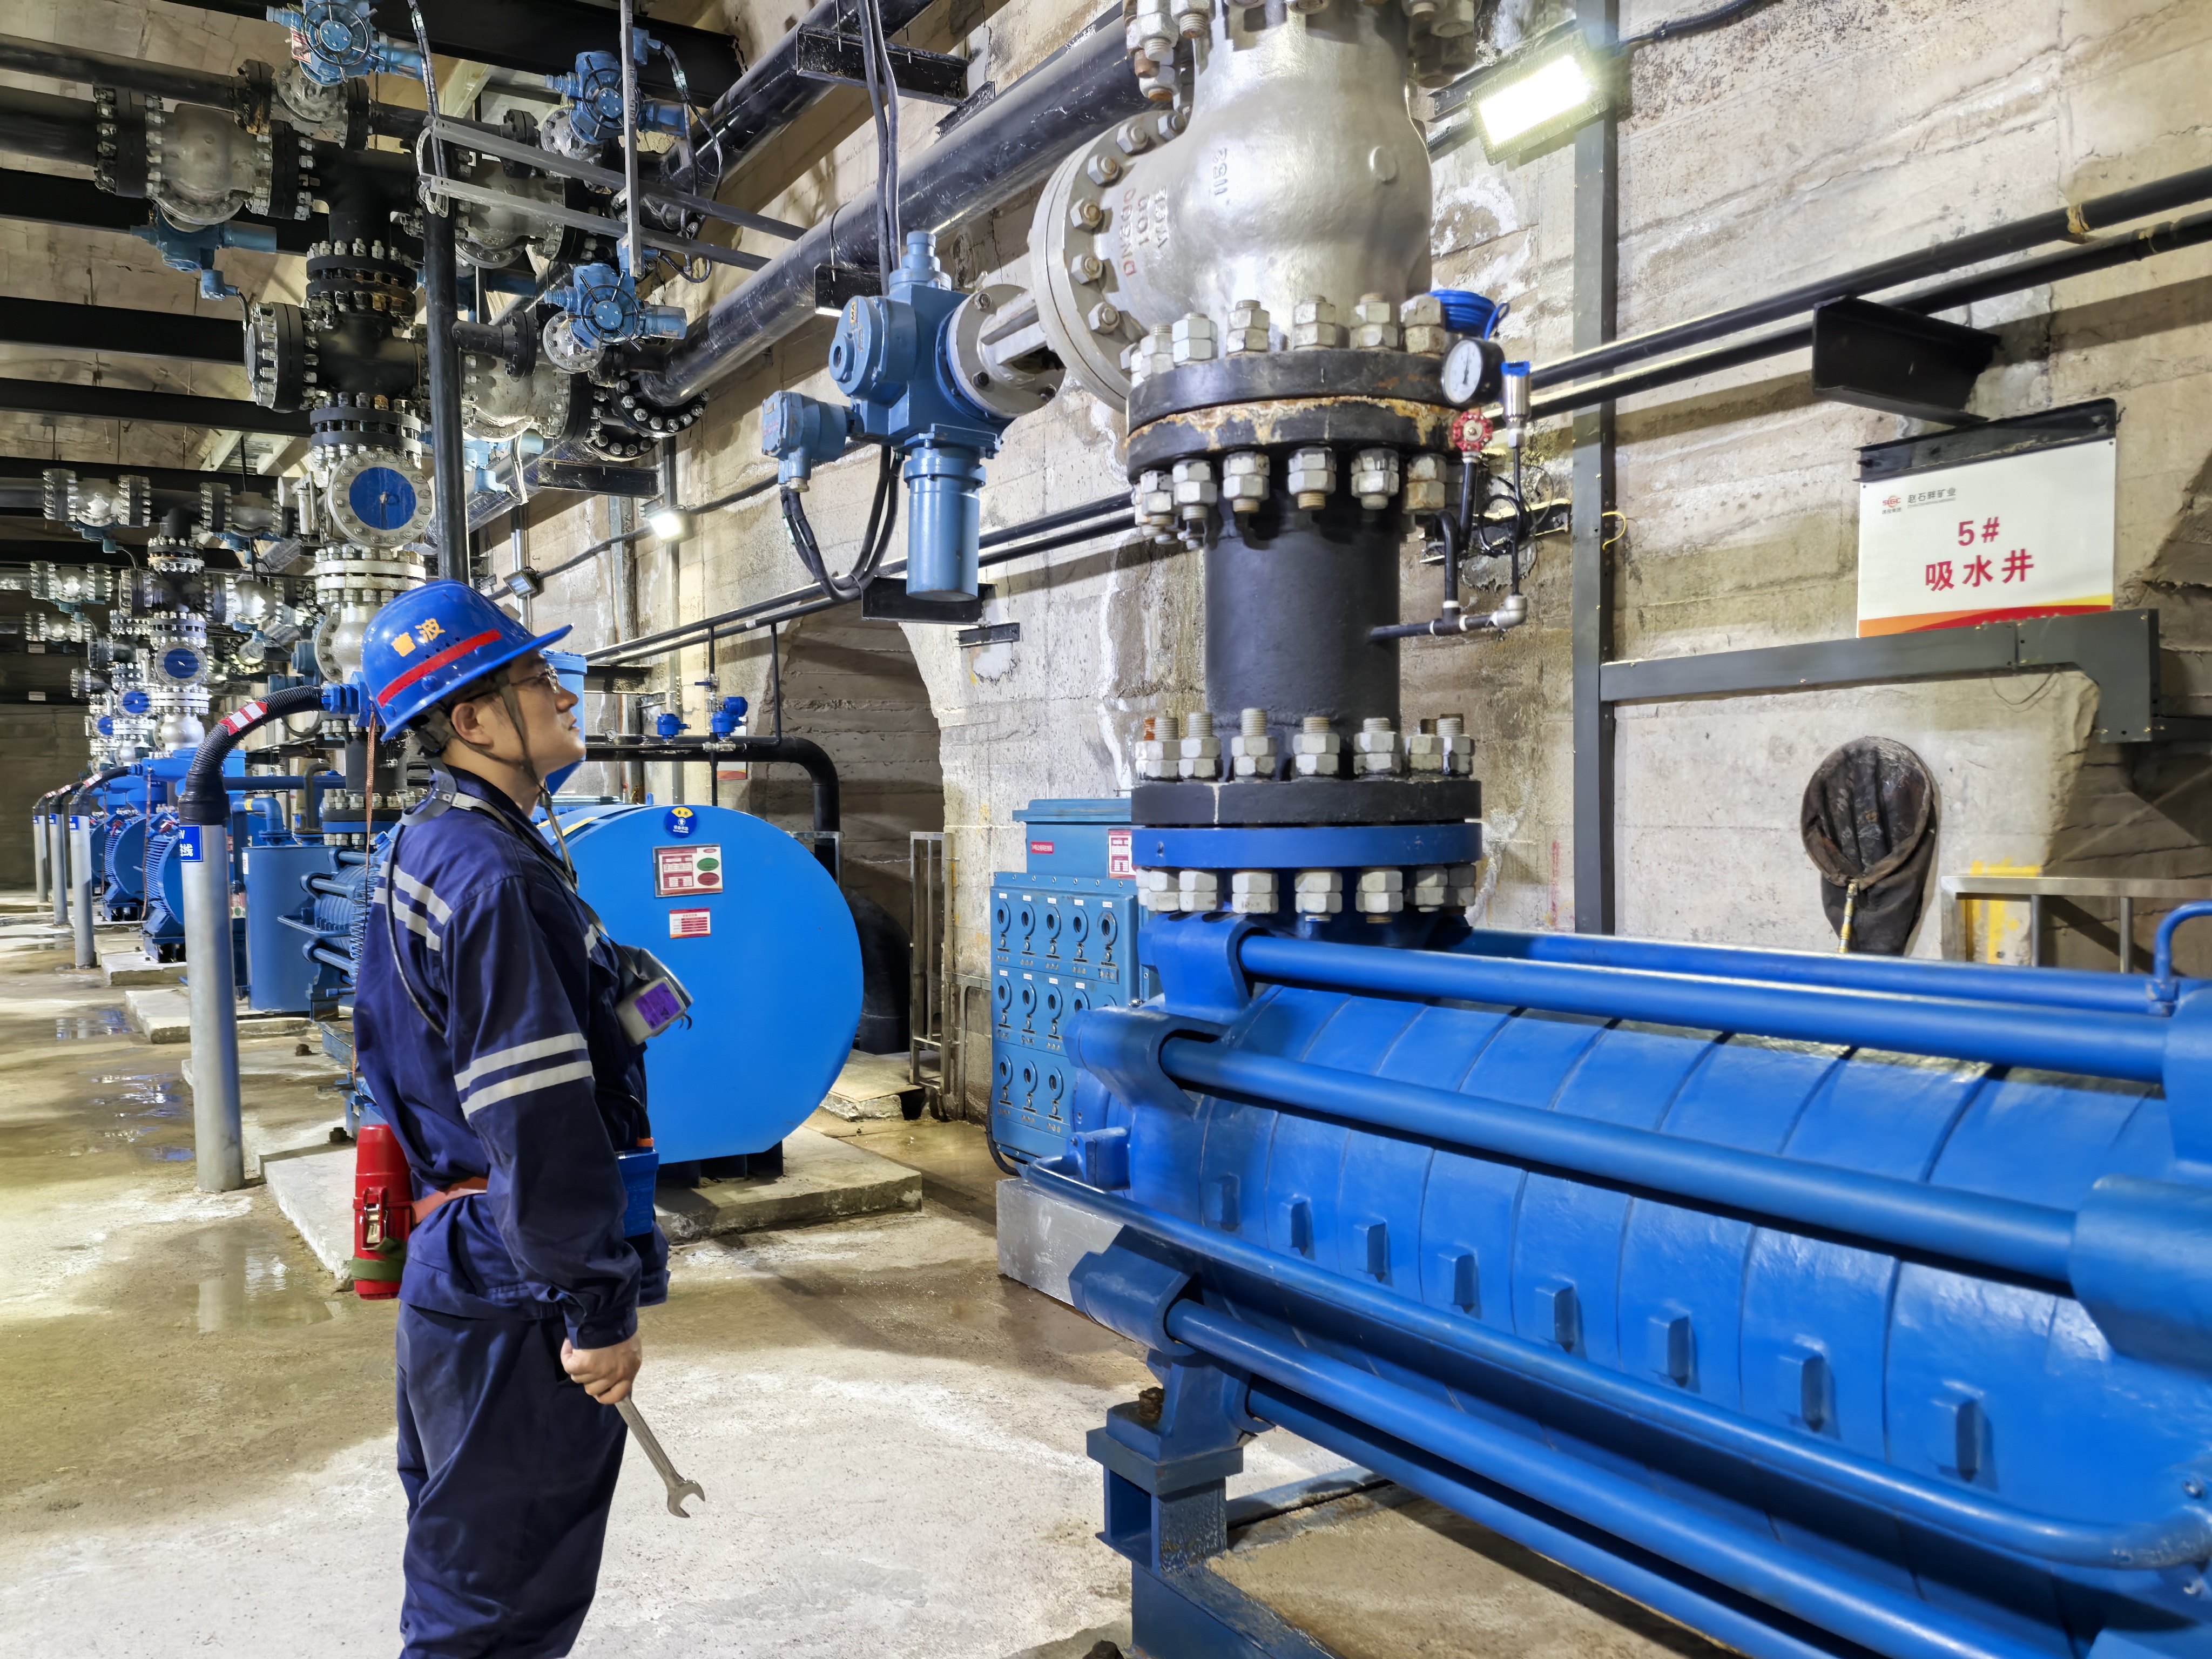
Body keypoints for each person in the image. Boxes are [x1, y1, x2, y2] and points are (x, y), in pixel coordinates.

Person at [352, 581, 667, 1658]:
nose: (565, 696)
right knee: (496, 1601)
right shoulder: (495, 876)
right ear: (474, 720)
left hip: (461, 1254)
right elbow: (537, 1117)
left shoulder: (433, 846)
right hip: (516, 1273)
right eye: (539, 679)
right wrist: (597, 1305)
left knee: (466, 1560)